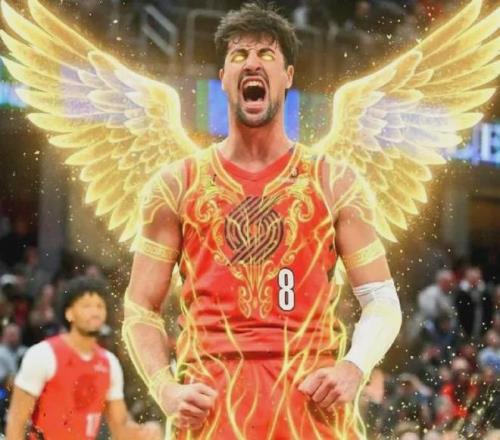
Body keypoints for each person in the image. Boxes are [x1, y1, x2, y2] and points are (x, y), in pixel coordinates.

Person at [121, 3, 402, 439]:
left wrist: (354, 366)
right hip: (213, 416)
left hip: (310, 414)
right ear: (223, 78)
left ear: (288, 76)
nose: (252, 62)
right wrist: (164, 388)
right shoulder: (175, 185)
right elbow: (140, 307)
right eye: (239, 55)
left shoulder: (336, 182)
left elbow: (382, 300)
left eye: (266, 54)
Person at [6, 276, 162, 440]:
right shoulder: (43, 354)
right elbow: (17, 420)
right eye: (86, 306)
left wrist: (144, 433)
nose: (95, 312)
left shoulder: (109, 363)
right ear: (69, 313)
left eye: (100, 306)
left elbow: (120, 427)